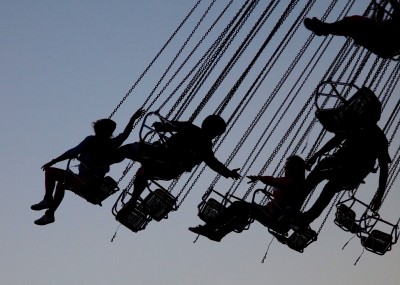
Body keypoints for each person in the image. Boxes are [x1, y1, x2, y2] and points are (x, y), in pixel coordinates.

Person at [111, 114, 241, 218]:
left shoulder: (190, 128)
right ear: (215, 133)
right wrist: (228, 173)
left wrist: (160, 126)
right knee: (144, 171)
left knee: (130, 149)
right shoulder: (206, 146)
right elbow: (213, 163)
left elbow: (169, 126)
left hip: (160, 156)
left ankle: (106, 160)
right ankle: (133, 199)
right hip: (170, 170)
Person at [31, 108, 146, 226]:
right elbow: (126, 133)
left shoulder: (91, 140)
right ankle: (50, 214)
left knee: (50, 172)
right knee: (61, 183)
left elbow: (73, 152)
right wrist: (133, 119)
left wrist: (53, 162)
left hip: (85, 182)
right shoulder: (113, 144)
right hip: (92, 185)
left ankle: (48, 199)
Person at [291, 122, 391, 231]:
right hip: (340, 165)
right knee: (322, 180)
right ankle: (294, 210)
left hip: (351, 172)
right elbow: (336, 140)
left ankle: (301, 216)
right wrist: (316, 155)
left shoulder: (378, 139)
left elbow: (384, 169)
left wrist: (380, 195)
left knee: (326, 184)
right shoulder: (356, 126)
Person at [188, 155, 306, 242]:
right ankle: (218, 234)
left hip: (273, 215)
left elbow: (275, 181)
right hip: (270, 212)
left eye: (287, 166)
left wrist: (259, 178)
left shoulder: (293, 182)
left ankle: (210, 228)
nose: (285, 168)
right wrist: (259, 178)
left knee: (238, 205)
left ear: (294, 168)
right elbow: (275, 181)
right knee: (242, 213)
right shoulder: (292, 182)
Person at [303, 0, 400, 59]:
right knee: (351, 26)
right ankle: (324, 28)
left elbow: (395, 7)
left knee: (352, 25)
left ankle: (324, 28)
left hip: (381, 41)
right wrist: (380, 16)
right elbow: (380, 26)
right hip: (379, 42)